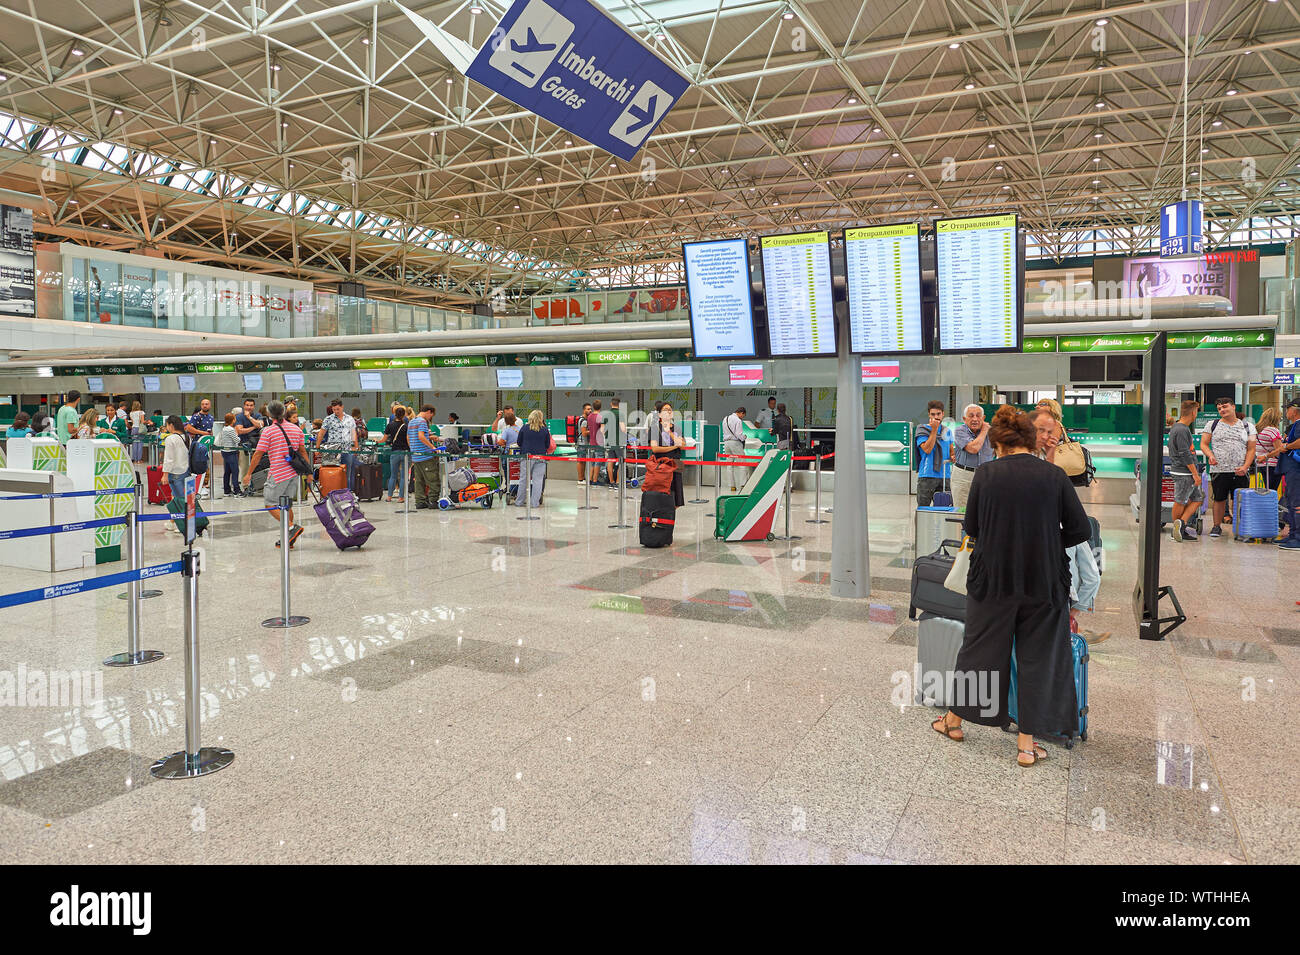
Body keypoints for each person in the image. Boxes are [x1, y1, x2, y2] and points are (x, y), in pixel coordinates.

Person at [931, 406, 1092, 767]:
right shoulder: (1053, 476)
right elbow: (1082, 530)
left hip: (993, 580)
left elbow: (971, 527)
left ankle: (954, 722)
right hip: (1044, 580)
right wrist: (1047, 542)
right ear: (1030, 439)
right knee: (1038, 656)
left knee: (980, 651)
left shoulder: (986, 475)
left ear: (998, 443)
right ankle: (1026, 745)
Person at [247, 401, 306, 548]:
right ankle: (289, 539)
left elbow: (258, 454)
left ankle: (291, 527)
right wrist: (308, 471)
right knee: (287, 505)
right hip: (294, 472)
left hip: (278, 473)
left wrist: (248, 474)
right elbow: (302, 451)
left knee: (270, 503)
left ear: (270, 414)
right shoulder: (296, 429)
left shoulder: (268, 431)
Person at [1200, 397, 1256, 539]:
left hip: (1240, 470)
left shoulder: (1248, 426)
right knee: (1219, 499)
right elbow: (1204, 444)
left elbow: (1251, 449)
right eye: (1219, 408)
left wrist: (1245, 466)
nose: (1222, 410)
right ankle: (1216, 526)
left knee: (1240, 499)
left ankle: (1241, 527)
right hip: (1219, 469)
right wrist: (1210, 455)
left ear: (1233, 407)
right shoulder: (1212, 425)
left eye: (1225, 407)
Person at [1167, 399, 1203, 542]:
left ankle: (1180, 524)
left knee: (1197, 498)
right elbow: (1184, 453)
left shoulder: (1178, 428)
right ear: (1193, 412)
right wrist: (1195, 473)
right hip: (1184, 472)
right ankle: (1177, 528)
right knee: (1180, 500)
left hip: (1185, 471)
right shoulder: (1181, 429)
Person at [1267, 397, 1300, 550]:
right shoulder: (1294, 426)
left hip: (1296, 471)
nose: (1286, 412)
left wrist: (1288, 446)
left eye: (1288, 409)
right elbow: (1282, 448)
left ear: (1295, 410)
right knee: (1291, 503)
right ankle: (1293, 535)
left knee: (1297, 504)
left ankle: (1298, 537)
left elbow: (1292, 445)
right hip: (1291, 470)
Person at [951, 404, 994, 510]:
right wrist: (984, 431)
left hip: (986, 476)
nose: (975, 419)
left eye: (978, 416)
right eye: (971, 416)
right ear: (965, 419)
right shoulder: (959, 431)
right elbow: (973, 448)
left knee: (985, 511)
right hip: (963, 476)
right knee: (962, 512)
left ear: (983, 418)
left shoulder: (993, 433)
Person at [649, 400, 687, 507]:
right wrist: (674, 446)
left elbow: (683, 445)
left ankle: (669, 520)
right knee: (662, 497)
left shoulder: (676, 428)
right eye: (665, 410)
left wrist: (669, 432)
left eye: (670, 410)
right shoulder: (655, 428)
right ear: (659, 414)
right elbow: (655, 448)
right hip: (661, 466)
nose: (668, 412)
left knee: (676, 500)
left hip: (675, 465)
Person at [915, 400, 952, 506]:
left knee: (943, 510)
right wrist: (934, 430)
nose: (936, 417)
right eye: (933, 414)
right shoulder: (922, 429)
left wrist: (953, 457)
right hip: (927, 475)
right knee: (923, 509)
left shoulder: (947, 431)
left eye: (938, 414)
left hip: (945, 476)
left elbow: (951, 451)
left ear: (943, 414)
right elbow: (927, 449)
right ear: (929, 414)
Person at [407, 405, 442, 509]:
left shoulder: (412, 421)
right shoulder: (422, 421)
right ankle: (433, 501)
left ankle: (420, 502)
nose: (430, 418)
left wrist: (414, 449)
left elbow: (409, 438)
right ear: (429, 412)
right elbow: (421, 436)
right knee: (433, 479)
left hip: (416, 456)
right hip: (426, 456)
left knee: (419, 480)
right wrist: (433, 447)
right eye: (431, 415)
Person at [515, 410, 551, 508]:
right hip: (541, 457)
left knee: (523, 480)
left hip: (527, 457)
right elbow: (547, 444)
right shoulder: (544, 430)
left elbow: (519, 442)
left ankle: (519, 502)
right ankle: (534, 503)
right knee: (538, 481)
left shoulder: (524, 428)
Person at [320, 399, 359, 490]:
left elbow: (353, 434)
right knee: (333, 475)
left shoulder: (350, 419)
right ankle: (333, 494)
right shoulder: (328, 419)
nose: (336, 411)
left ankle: (347, 494)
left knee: (347, 475)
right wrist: (318, 447)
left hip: (347, 450)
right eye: (334, 409)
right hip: (332, 453)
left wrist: (356, 447)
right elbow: (321, 433)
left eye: (338, 409)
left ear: (342, 407)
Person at [234, 397, 265, 495]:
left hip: (257, 445)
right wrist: (253, 427)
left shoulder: (258, 415)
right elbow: (239, 430)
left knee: (259, 466)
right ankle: (245, 487)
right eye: (247, 405)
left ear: (254, 406)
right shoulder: (239, 417)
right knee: (245, 467)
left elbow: (260, 425)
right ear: (244, 406)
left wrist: (249, 418)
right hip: (244, 445)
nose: (249, 407)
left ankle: (259, 486)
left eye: (251, 405)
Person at [161, 415, 190, 506]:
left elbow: (169, 458)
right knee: (181, 496)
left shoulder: (170, 438)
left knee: (179, 499)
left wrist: (165, 474)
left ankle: (180, 518)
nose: (167, 428)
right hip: (186, 470)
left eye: (167, 425)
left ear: (171, 425)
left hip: (175, 472)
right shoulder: (187, 437)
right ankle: (175, 519)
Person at [382, 407, 409, 502]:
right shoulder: (406, 426)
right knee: (403, 476)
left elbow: (384, 439)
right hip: (405, 452)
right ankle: (401, 497)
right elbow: (408, 440)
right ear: (404, 415)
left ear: (394, 414)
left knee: (393, 475)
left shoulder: (390, 425)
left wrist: (377, 441)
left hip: (394, 452)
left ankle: (389, 497)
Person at [1255, 407, 1284, 492]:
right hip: (1273, 464)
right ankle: (1270, 505)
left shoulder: (1257, 429)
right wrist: (1284, 445)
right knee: (1272, 491)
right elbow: (1279, 450)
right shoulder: (1273, 431)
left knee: (1266, 489)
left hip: (1261, 464)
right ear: (1275, 418)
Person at [721, 406, 747, 493]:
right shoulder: (738, 421)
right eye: (743, 415)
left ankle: (732, 486)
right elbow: (739, 434)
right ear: (741, 413)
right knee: (742, 463)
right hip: (735, 443)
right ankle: (743, 484)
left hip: (726, 443)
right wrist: (744, 437)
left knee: (729, 465)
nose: (742, 417)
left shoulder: (725, 418)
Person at [216, 412, 241, 497]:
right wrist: (237, 434)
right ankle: (236, 490)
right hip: (231, 452)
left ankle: (227, 490)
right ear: (233, 420)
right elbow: (237, 440)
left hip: (224, 452)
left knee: (227, 471)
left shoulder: (224, 429)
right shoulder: (231, 430)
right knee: (235, 471)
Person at [586, 400, 607, 484]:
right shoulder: (601, 417)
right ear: (600, 407)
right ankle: (595, 480)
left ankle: (590, 479)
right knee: (598, 461)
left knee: (593, 461)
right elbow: (602, 430)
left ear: (593, 407)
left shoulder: (589, 416)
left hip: (591, 441)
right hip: (599, 442)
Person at [575, 402, 593, 485]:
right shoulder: (584, 421)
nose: (590, 410)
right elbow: (584, 433)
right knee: (580, 461)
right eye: (588, 409)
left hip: (583, 443)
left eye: (590, 409)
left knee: (583, 461)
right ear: (584, 410)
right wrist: (593, 431)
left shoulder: (583, 419)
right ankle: (580, 479)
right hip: (582, 443)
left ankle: (582, 478)